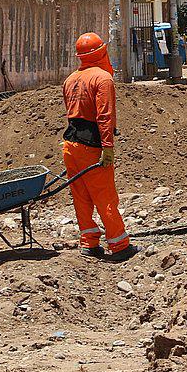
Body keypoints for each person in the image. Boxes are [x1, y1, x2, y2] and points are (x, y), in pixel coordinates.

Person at [62, 33, 135, 262]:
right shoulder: (103, 79)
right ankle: (119, 245)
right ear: (102, 52)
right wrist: (108, 147)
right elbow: (105, 116)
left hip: (70, 144)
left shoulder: (70, 79)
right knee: (105, 196)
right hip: (91, 145)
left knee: (81, 196)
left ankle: (89, 243)